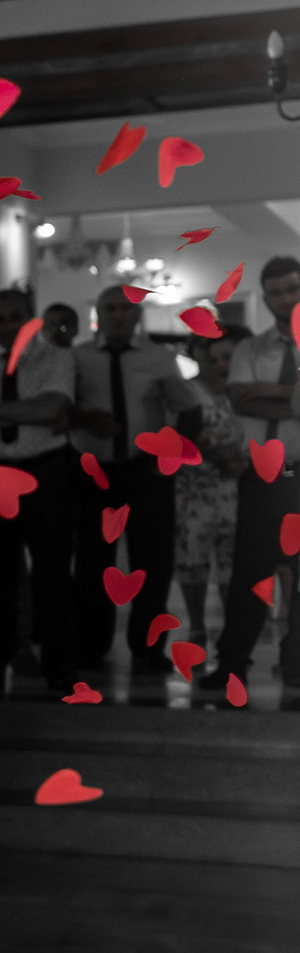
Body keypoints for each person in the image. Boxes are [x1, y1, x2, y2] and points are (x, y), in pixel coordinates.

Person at [68, 288, 199, 679]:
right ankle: (91, 645)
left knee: (152, 562)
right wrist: (83, 419)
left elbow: (190, 409)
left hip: (146, 471)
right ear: (98, 314)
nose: (119, 315)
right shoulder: (77, 358)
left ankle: (147, 648)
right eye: (110, 308)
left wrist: (170, 459)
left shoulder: (160, 358)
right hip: (94, 472)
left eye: (126, 308)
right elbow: (60, 407)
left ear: (138, 315)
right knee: (92, 561)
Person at [0, 280, 78, 692]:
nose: (7, 326)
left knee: (53, 571)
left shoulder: (56, 357)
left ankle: (60, 666)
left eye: (16, 318)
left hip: (45, 469)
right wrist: (30, 411)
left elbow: (53, 407)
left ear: (32, 320)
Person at [203, 255, 300, 698]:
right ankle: (232, 665)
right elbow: (241, 400)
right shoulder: (250, 349)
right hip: (264, 475)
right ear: (265, 298)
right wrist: (296, 397)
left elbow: (255, 397)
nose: (286, 298)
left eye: (293, 288)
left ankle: (296, 663)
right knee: (250, 574)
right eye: (276, 292)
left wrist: (272, 394)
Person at [177, 319, 252, 640]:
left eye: (227, 358)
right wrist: (209, 451)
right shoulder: (186, 392)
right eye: (213, 358)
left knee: (232, 562)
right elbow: (172, 438)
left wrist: (244, 459)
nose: (220, 365)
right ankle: (196, 625)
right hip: (194, 488)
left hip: (238, 486)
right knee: (192, 559)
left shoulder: (244, 391)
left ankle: (232, 627)